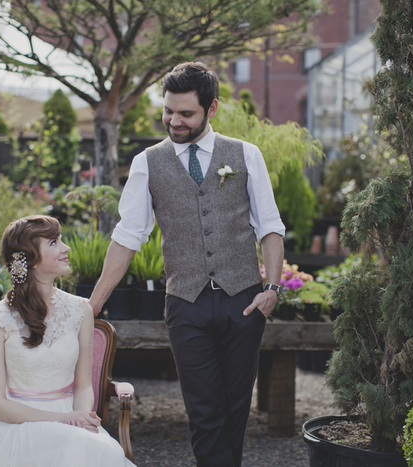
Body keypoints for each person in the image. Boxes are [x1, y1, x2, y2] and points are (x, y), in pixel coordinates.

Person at [90, 62, 285, 467]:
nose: (174, 121)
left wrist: (272, 289)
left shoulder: (246, 154)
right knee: (204, 411)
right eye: (168, 111)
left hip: (244, 300)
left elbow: (270, 226)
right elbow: (128, 237)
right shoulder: (148, 162)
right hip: (186, 303)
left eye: (186, 114)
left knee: (235, 410)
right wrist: (90, 307)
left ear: (211, 109)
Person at [0, 215, 136, 467]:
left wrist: (81, 419)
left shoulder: (80, 310)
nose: (66, 248)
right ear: (30, 260)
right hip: (15, 424)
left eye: (60, 240)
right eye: (53, 243)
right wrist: (60, 421)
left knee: (100, 453)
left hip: (71, 416)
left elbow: (84, 385)